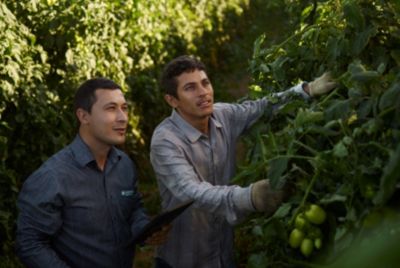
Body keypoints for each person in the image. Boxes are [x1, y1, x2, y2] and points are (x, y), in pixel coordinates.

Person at [150, 55, 336, 268]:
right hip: (183, 260)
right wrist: (250, 197)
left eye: (205, 83)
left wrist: (306, 90)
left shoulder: (222, 115)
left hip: (222, 254)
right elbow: (192, 193)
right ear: (172, 100)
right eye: (190, 88)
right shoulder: (165, 141)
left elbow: (261, 108)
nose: (203, 92)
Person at [15, 78, 170, 268]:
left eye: (124, 108)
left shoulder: (124, 165)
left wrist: (146, 231)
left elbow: (133, 210)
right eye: (111, 108)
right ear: (83, 116)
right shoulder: (52, 176)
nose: (123, 118)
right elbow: (30, 244)